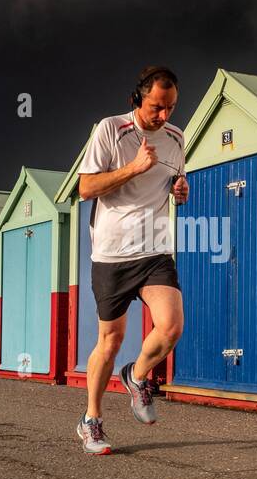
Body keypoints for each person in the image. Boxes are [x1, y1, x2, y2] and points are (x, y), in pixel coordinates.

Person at [74, 66, 189, 455]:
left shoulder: (176, 138)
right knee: (111, 340)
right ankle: (92, 421)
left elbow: (174, 180)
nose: (164, 116)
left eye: (171, 107)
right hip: (112, 253)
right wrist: (133, 168)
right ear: (137, 100)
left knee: (171, 327)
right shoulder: (110, 130)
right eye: (157, 107)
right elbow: (86, 187)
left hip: (155, 249)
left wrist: (180, 189)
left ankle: (137, 375)